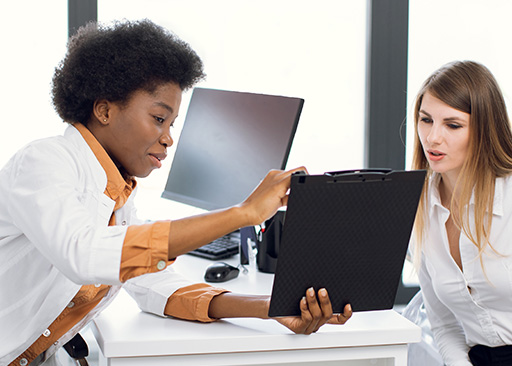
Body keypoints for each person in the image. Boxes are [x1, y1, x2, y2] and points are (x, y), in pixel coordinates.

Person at [0, 19, 352, 366]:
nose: (168, 138)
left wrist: (271, 309)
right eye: (158, 118)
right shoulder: (43, 162)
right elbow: (84, 254)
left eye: (172, 124)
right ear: (104, 110)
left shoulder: (117, 196)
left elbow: (156, 284)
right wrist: (243, 213)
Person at [410, 60, 512, 366]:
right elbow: (444, 324)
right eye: (426, 120)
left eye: (452, 125)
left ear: (484, 129)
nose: (432, 138)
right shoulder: (419, 204)